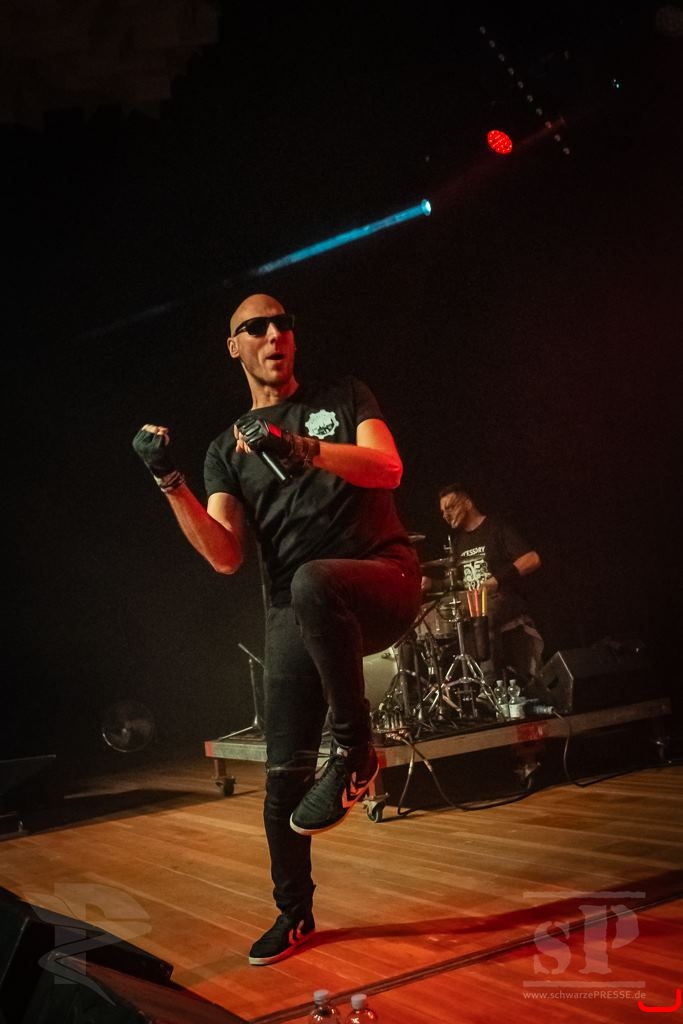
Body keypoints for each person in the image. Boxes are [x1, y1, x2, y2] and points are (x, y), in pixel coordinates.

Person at [131, 293, 422, 966]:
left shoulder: (344, 396)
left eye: (282, 324)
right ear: (234, 346)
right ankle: (295, 913)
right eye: (255, 328)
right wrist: (169, 480)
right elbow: (225, 554)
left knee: (316, 580)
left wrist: (302, 447)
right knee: (281, 779)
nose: (273, 335)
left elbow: (388, 467)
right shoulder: (225, 450)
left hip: (382, 576)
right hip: (296, 607)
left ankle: (355, 753)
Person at [422, 482, 543, 687]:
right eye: (442, 512)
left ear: (467, 503)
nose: (445, 515)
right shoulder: (458, 543)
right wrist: (432, 584)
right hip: (471, 602)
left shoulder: (496, 528)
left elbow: (532, 559)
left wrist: (495, 581)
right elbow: (458, 583)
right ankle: (438, 688)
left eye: (450, 507)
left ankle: (489, 684)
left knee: (483, 614)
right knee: (427, 620)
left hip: (504, 598)